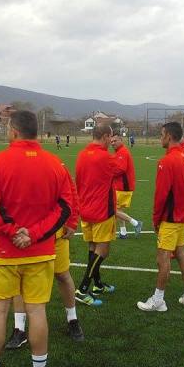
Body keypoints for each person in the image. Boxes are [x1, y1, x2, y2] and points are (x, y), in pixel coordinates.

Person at [0, 111, 75, 367]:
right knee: (37, 311)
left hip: (4, 253)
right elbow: (65, 208)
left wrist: (16, 232)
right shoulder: (55, 164)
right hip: (41, 253)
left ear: (13, 130)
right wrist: (34, 234)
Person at [5, 163, 88, 349]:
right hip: (27, 235)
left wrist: (72, 221)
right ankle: (19, 329)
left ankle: (72, 319)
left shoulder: (55, 165)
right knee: (20, 279)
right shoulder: (14, 165)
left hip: (55, 234)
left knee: (62, 275)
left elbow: (71, 194)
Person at [137, 122, 184, 312]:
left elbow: (161, 195)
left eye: (161, 134)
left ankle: (158, 300)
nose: (160, 138)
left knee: (163, 258)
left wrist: (156, 219)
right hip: (182, 216)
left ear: (169, 136)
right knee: (180, 253)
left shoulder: (167, 161)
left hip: (171, 218)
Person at [74, 124, 125, 306]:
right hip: (102, 210)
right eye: (110, 137)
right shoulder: (105, 157)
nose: (111, 141)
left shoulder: (82, 154)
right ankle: (82, 289)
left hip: (85, 208)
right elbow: (121, 168)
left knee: (93, 247)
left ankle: (97, 284)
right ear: (104, 137)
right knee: (103, 250)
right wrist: (120, 148)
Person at [111, 134, 143, 239]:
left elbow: (120, 169)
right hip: (121, 186)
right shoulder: (119, 152)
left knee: (113, 209)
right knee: (119, 210)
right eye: (111, 141)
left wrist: (108, 174)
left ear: (121, 140)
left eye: (115, 141)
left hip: (122, 186)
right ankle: (123, 233)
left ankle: (136, 223)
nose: (113, 143)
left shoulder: (123, 152)